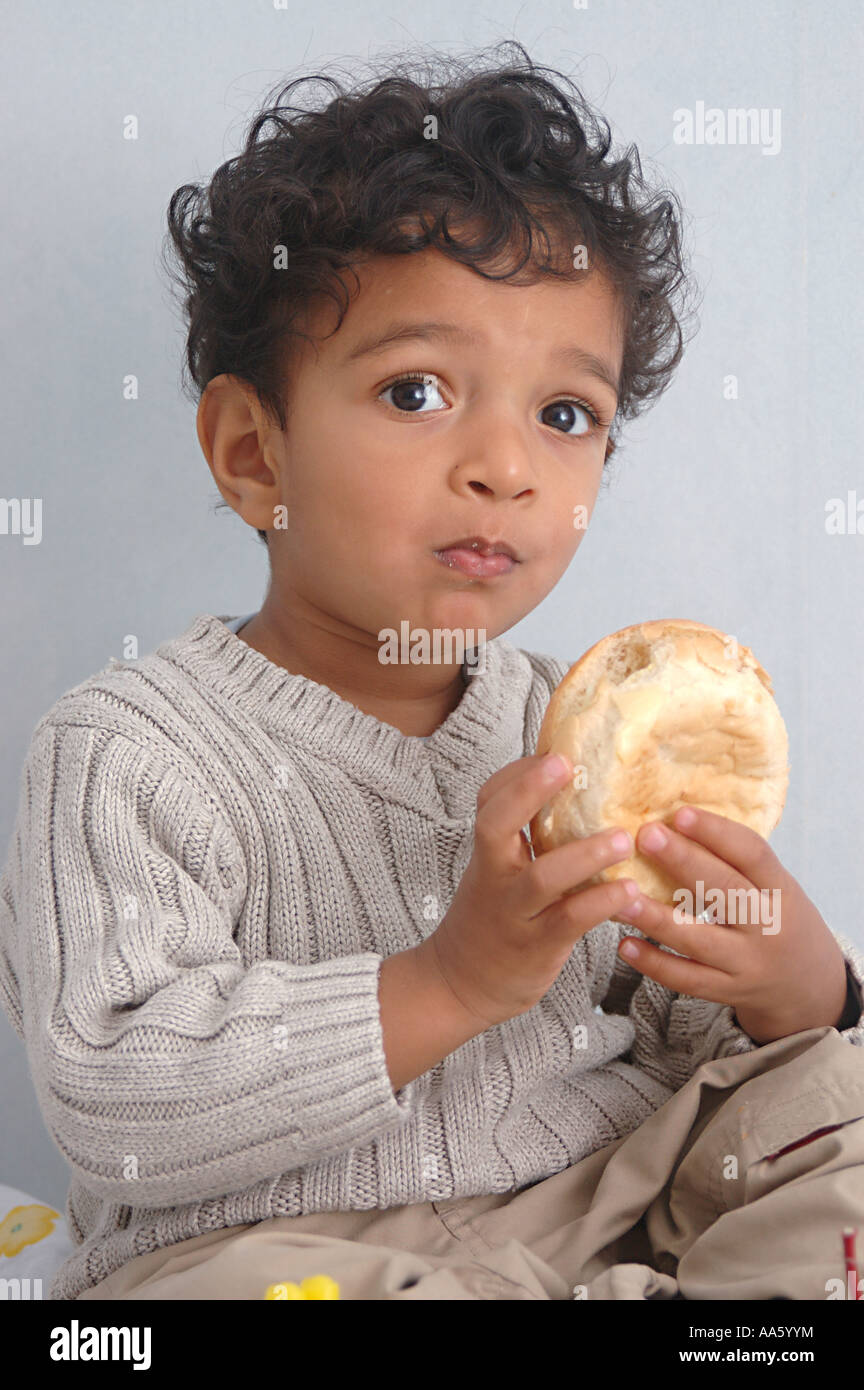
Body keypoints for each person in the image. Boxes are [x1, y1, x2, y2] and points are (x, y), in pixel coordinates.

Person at [1, 42, 863, 1303]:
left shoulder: (568, 723)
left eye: (566, 416)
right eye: (418, 390)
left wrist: (798, 988)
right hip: (276, 1256)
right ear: (254, 454)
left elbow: (671, 1030)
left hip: (598, 1199)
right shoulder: (128, 749)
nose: (506, 465)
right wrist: (445, 983)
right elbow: (113, 1092)